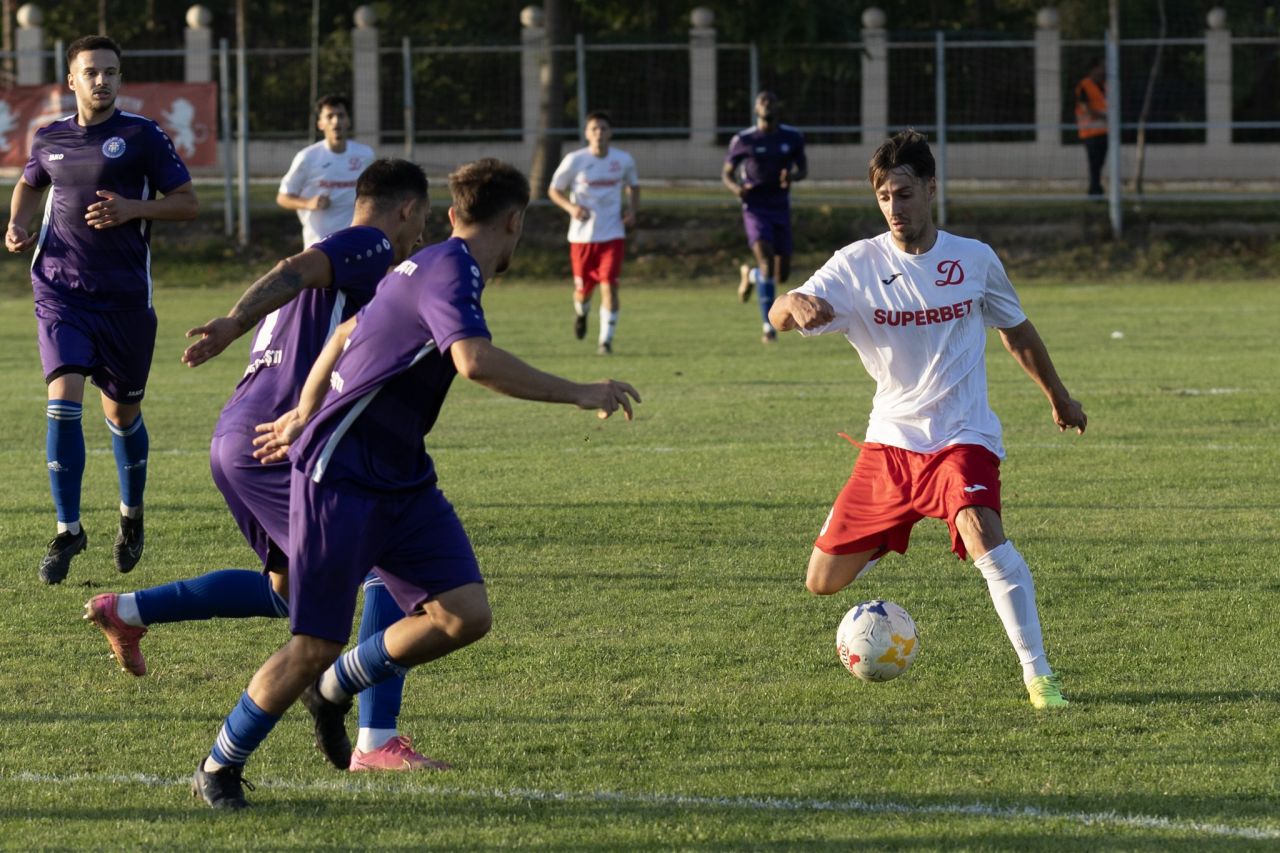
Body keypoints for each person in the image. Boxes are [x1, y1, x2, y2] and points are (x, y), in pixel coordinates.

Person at [189, 158, 641, 809]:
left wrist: (300, 408)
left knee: (464, 614)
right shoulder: (450, 269)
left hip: (401, 476)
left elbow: (346, 331)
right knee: (313, 638)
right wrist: (580, 392)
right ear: (515, 222)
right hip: (339, 476)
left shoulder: (428, 265)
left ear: (456, 214)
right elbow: (473, 360)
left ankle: (336, 685)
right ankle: (219, 765)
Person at [84, 159, 444, 772]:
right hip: (278, 440)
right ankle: (375, 741)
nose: (418, 238)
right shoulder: (368, 244)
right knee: (385, 566)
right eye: (422, 221)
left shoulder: (345, 263)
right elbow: (291, 269)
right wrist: (231, 322)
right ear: (406, 209)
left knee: (287, 594)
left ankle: (128, 611)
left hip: (237, 439)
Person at [767, 130, 1086, 710]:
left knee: (983, 533)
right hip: (890, 444)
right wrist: (794, 302)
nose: (896, 207)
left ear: (932, 189)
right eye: (885, 196)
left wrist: (1058, 397)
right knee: (822, 581)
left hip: (962, 435)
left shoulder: (973, 259)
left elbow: (1016, 331)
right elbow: (780, 309)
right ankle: (897, 527)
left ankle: (1040, 678)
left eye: (906, 194)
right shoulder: (857, 264)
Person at [5, 35, 199, 584]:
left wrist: (130, 210)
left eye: (111, 72)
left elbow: (188, 203)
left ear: (120, 78)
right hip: (59, 291)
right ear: (71, 80)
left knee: (121, 416)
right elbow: (27, 185)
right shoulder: (49, 137)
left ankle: (130, 516)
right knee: (62, 400)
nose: (102, 80)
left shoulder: (142, 136)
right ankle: (68, 530)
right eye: (91, 72)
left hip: (124, 301)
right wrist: (17, 223)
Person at [548, 110, 639, 355]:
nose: (599, 133)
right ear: (587, 134)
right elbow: (554, 190)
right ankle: (582, 313)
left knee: (609, 285)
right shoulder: (575, 160)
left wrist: (631, 210)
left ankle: (605, 342)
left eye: (603, 128)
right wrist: (571, 207)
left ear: (611, 133)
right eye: (594, 129)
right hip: (582, 238)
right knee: (583, 293)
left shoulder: (623, 160)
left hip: (612, 235)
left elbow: (633, 185)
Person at [723, 89, 806, 343]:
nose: (767, 104)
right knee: (767, 262)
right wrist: (737, 188)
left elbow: (803, 169)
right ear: (756, 109)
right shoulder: (744, 139)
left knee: (781, 274)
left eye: (771, 100)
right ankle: (767, 328)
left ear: (777, 107)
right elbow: (727, 173)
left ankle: (751, 276)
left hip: (780, 207)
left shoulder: (792, 137)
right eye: (762, 101)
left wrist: (792, 176)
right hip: (755, 208)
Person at [276, 94, 375, 248]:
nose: (336, 121)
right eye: (330, 116)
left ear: (348, 121)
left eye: (341, 115)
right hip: (319, 245)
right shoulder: (307, 157)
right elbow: (282, 197)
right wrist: (308, 203)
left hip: (355, 242)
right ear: (320, 124)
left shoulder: (365, 155)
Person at [1075, 59, 1108, 197]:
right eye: (1101, 67)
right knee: (1094, 163)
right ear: (1093, 69)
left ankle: (1096, 188)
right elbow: (1085, 108)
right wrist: (1105, 117)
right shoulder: (1084, 85)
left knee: (1100, 162)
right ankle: (1094, 191)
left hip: (1104, 131)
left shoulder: (1105, 85)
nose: (1103, 70)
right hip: (1090, 132)